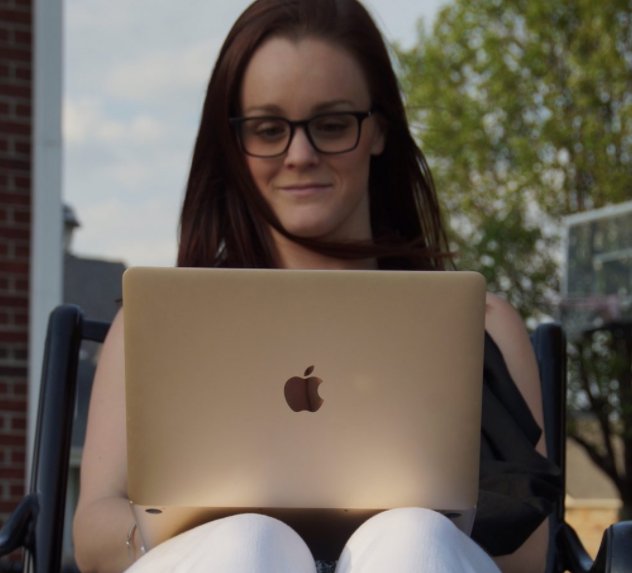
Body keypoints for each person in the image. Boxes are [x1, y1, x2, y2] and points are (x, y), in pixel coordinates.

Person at [72, 0, 561, 572]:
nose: (299, 155)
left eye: (331, 125)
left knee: (412, 538)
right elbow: (94, 534)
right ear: (234, 142)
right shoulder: (158, 325)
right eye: (268, 129)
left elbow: (531, 554)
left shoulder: (481, 328)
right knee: (245, 543)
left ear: (379, 130)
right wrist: (194, 539)